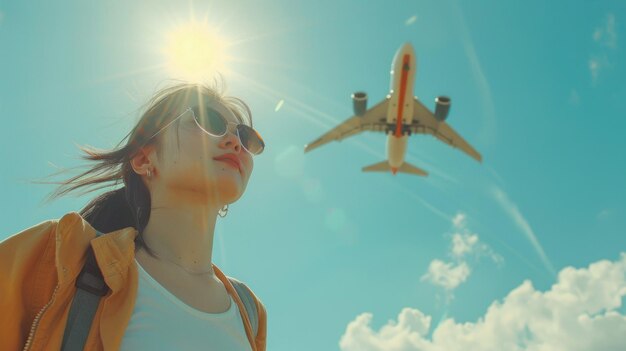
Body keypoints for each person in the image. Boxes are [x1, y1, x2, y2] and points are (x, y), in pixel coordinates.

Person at [0, 80, 267, 350]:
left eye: (246, 138)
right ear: (143, 160)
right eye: (208, 121)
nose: (235, 143)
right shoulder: (59, 254)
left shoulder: (250, 312)